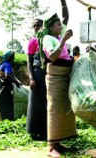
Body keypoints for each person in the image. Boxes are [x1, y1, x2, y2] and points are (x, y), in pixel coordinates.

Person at [38, 0, 77, 157]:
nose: (61, 26)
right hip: (55, 76)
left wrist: (63, 1)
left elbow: (66, 16)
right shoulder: (48, 38)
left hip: (65, 75)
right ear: (51, 27)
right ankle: (51, 146)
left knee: (63, 109)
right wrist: (63, 41)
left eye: (61, 25)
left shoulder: (59, 34)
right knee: (54, 109)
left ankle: (59, 142)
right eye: (58, 25)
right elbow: (53, 57)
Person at [26, 18, 47, 141]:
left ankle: (44, 132)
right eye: (34, 26)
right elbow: (29, 62)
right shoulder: (32, 41)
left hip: (46, 74)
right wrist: (31, 78)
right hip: (37, 74)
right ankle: (33, 132)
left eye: (38, 25)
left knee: (45, 103)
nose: (36, 28)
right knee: (35, 103)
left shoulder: (47, 40)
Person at [0, 50, 22, 121]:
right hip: (3, 90)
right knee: (4, 107)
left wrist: (17, 81)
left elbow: (10, 76)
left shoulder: (3, 63)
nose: (13, 58)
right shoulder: (7, 64)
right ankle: (3, 122)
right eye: (12, 57)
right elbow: (8, 76)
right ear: (9, 58)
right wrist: (16, 83)